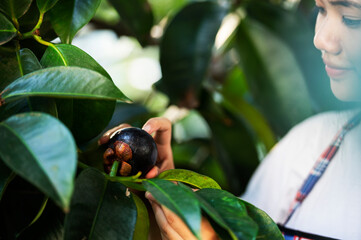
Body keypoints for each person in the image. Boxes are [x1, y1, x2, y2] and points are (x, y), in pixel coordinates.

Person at [103, 0, 361, 239]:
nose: (321, 39)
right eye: (322, 9)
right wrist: (161, 207)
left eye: (351, 19)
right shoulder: (312, 145)